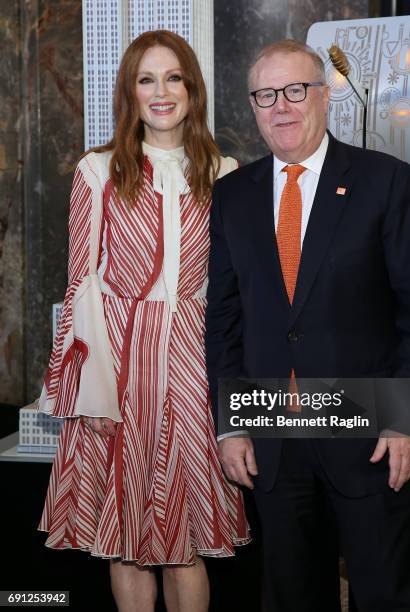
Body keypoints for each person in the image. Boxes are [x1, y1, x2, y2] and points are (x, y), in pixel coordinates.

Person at [205, 39, 410, 612]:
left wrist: (406, 420)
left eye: (295, 90)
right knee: (291, 596)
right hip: (274, 440)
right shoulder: (233, 194)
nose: (281, 107)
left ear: (324, 96)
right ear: (253, 106)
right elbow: (224, 317)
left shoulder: (388, 181)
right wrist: (231, 424)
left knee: (390, 595)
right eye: (266, 95)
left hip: (371, 438)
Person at [38, 30, 250, 612]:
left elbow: (233, 291)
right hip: (119, 366)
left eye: (173, 77)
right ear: (130, 92)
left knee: (187, 544)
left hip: (193, 365)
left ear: (192, 88)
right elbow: (83, 282)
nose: (161, 92)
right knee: (125, 544)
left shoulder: (225, 171)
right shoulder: (97, 170)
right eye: (146, 79)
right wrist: (96, 396)